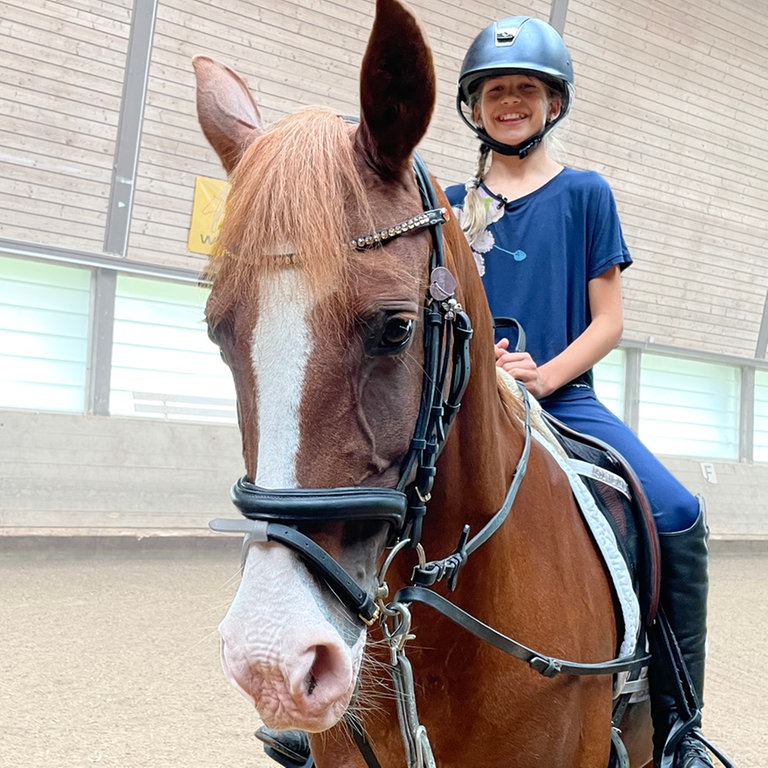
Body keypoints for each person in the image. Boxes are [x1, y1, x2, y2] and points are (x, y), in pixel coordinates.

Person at [444, 15, 720, 768]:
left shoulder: (586, 194)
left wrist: (544, 374)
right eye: (496, 90)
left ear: (552, 104)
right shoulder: (446, 201)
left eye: (525, 90)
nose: (510, 102)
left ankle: (677, 725)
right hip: (463, 410)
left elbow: (608, 321)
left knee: (677, 514)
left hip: (563, 400)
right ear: (475, 105)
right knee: (363, 501)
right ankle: (332, 715)